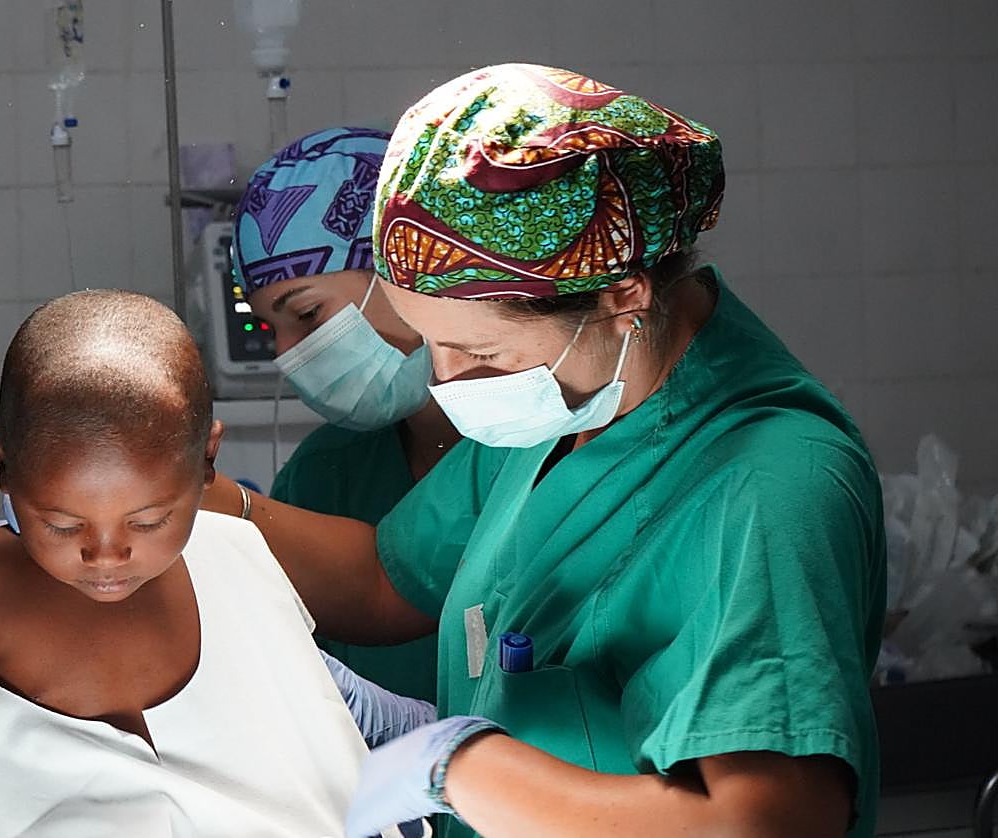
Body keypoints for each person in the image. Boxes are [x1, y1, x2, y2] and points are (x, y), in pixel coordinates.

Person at [204, 64, 886, 838]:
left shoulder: (768, 482)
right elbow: (388, 577)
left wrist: (463, 767)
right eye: (428, 341)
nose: (446, 382)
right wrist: (191, 489)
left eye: (481, 353)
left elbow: (768, 824)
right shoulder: (565, 408)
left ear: (622, 296)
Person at [0, 290, 415, 838]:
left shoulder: (236, 558)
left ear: (208, 459)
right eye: (63, 525)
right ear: (4, 463)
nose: (105, 554)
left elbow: (319, 751)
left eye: (147, 522)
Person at [232, 126, 459, 703]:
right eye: (271, 329)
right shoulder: (324, 474)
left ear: (408, 269)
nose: (288, 353)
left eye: (307, 314)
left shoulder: (532, 442)